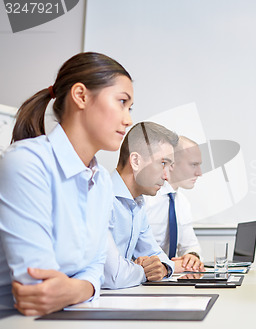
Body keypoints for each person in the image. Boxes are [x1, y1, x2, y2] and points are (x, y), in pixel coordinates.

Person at [0, 52, 133, 315]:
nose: (128, 119)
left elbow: (96, 265)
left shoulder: (102, 180)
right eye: (121, 102)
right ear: (81, 96)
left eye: (129, 108)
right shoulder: (27, 163)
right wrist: (84, 286)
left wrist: (81, 288)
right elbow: (38, 287)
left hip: (67, 314)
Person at [103, 122, 181, 289]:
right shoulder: (102, 197)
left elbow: (158, 256)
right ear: (136, 161)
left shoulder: (137, 203)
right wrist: (143, 271)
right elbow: (114, 276)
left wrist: (162, 268)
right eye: (163, 163)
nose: (167, 176)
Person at [145, 136, 204, 272]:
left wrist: (192, 256)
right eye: (193, 164)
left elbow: (190, 245)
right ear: (172, 164)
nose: (199, 173)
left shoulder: (182, 202)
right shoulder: (145, 198)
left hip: (166, 278)